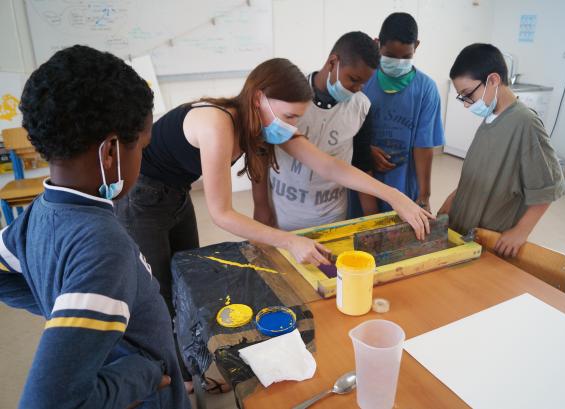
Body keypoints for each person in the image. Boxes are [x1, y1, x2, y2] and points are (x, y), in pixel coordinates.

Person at [116, 57, 433, 383]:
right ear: (258, 99)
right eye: (289, 116)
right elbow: (222, 213)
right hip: (142, 198)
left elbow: (329, 166)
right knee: (159, 294)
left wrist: (396, 197)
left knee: (184, 275)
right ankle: (170, 379)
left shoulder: (266, 122)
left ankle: (187, 364)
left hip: (176, 193)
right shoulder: (217, 124)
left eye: (298, 117)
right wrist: (288, 239)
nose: (292, 126)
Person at [0, 45, 190, 409]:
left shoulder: (41, 210)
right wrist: (143, 374)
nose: (144, 158)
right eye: (143, 147)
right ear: (110, 152)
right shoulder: (103, 245)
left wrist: (64, 310)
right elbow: (46, 403)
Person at [439, 43, 565, 257]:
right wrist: (450, 202)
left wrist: (520, 231)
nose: (467, 104)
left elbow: (548, 187)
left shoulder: (525, 124)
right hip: (462, 230)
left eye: (468, 94)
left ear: (493, 80)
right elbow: (478, 173)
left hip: (488, 240)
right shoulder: (490, 117)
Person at [252, 32, 378, 231]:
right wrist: (261, 206)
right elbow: (259, 152)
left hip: (332, 218)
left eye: (363, 83)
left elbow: (362, 163)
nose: (357, 88)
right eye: (353, 79)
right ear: (332, 63)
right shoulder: (290, 96)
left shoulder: (361, 107)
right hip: (284, 217)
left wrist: (372, 216)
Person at [349, 12, 445, 217]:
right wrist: (365, 150)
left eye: (406, 57)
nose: (398, 62)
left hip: (403, 182)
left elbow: (424, 146)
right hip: (363, 180)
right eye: (390, 56)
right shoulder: (363, 80)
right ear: (377, 44)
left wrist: (424, 196)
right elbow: (345, 131)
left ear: (416, 46)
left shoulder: (425, 89)